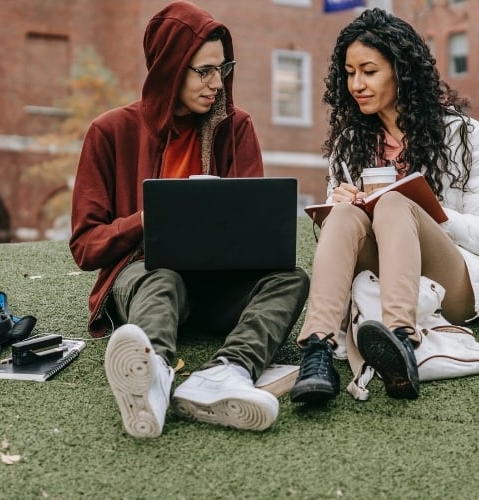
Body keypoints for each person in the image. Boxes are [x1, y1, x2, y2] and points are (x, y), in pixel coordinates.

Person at [69, 1, 309, 438]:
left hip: (218, 288)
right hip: (146, 278)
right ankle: (154, 376)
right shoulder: (110, 132)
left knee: (291, 278)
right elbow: (85, 247)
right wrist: (151, 218)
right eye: (204, 71)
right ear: (169, 69)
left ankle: (227, 372)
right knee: (163, 277)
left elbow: (255, 228)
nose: (218, 83)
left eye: (223, 68)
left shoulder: (237, 127)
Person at [288, 8, 479, 404]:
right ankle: (318, 350)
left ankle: (400, 338)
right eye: (349, 72)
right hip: (377, 275)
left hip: (450, 283)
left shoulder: (461, 135)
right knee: (344, 212)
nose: (356, 84)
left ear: (401, 71)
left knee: (395, 202)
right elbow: (343, 245)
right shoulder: (350, 144)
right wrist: (340, 205)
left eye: (369, 71)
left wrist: (426, 211)